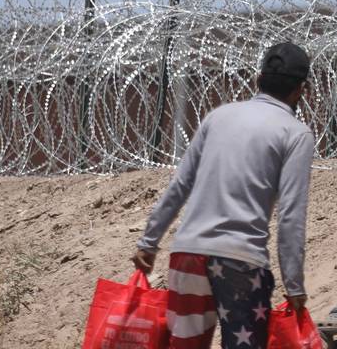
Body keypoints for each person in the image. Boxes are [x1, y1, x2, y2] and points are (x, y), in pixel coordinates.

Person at [131, 42, 316, 348]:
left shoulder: (219, 116)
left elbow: (181, 184)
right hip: (240, 261)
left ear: (258, 79)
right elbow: (291, 215)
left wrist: (149, 242)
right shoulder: (295, 133)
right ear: (300, 91)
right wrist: (294, 285)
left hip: (187, 254)